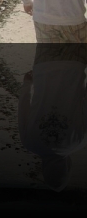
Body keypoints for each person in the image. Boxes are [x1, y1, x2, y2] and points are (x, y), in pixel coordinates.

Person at [18, 44, 87, 191]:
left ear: (66, 169)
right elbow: (23, 109)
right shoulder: (29, 143)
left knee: (77, 26)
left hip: (74, 67)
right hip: (43, 68)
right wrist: (27, 85)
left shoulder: (78, 142)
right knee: (49, 26)